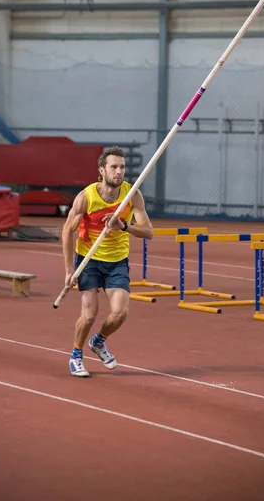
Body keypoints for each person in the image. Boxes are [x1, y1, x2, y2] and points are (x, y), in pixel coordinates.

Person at [62, 146, 153, 377]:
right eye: (114, 167)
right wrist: (68, 270)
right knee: (89, 314)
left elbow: (148, 232)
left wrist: (123, 226)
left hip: (116, 261)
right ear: (102, 170)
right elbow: (67, 231)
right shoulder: (86, 197)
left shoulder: (132, 195)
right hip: (89, 258)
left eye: (122, 167)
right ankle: (76, 355)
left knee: (120, 313)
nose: (119, 171)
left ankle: (98, 341)